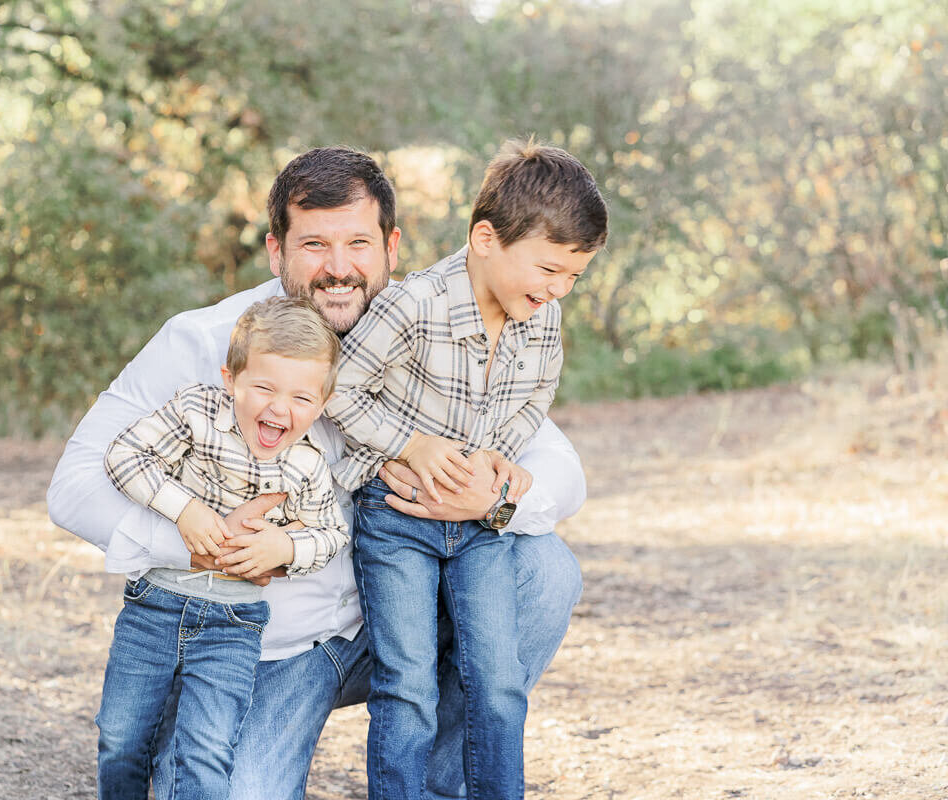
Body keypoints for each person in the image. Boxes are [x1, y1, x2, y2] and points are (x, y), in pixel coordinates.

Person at [46, 145, 588, 800]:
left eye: (358, 242)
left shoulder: (427, 322)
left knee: (543, 569)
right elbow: (74, 485)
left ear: (391, 246)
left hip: (392, 614)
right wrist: (209, 543)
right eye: (314, 245)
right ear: (276, 251)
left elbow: (558, 466)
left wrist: (487, 500)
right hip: (260, 644)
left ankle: (447, 784)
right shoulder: (204, 342)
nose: (339, 269)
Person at [323, 140, 608, 799]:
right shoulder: (412, 305)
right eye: (548, 268)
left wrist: (497, 462)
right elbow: (337, 391)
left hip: (479, 526)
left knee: (498, 679)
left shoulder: (542, 319)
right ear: (486, 238)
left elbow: (537, 396)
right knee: (409, 682)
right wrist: (410, 444)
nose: (559, 288)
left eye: (574, 276)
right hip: (395, 521)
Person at [97, 296, 348, 799]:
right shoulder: (196, 411)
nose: (280, 408)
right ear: (230, 380)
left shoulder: (307, 465)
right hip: (155, 604)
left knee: (206, 747)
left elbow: (331, 535)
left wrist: (284, 546)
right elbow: (124, 456)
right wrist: (184, 510)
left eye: (303, 398)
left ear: (321, 404)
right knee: (120, 737)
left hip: (233, 623)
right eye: (264, 387)